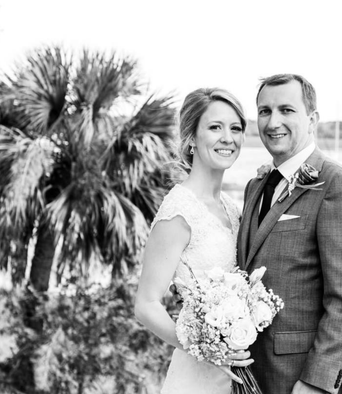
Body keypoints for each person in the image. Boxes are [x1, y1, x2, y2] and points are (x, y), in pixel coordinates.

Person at [237, 74, 342, 394]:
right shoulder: (255, 187)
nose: (273, 122)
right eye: (265, 111)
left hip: (305, 380)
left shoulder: (337, 184)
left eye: (287, 110)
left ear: (312, 120)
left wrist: (317, 382)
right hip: (256, 375)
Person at [135, 88, 252, 394]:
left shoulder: (231, 207)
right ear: (191, 139)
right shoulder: (179, 212)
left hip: (235, 373)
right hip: (197, 376)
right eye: (215, 127)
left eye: (235, 128)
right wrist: (204, 347)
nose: (228, 137)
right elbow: (146, 304)